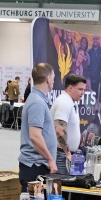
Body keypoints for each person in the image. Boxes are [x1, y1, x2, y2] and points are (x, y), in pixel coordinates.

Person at [18, 63, 57, 191]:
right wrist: (50, 159)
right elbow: (35, 136)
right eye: (53, 78)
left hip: (37, 164)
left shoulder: (38, 100)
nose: (54, 81)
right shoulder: (37, 103)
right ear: (48, 79)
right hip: (35, 166)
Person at [51, 73, 87, 174]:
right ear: (70, 88)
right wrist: (67, 153)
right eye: (80, 89)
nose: (83, 92)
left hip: (66, 154)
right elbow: (59, 130)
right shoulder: (64, 102)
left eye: (84, 90)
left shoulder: (72, 102)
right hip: (61, 155)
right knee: (62, 186)